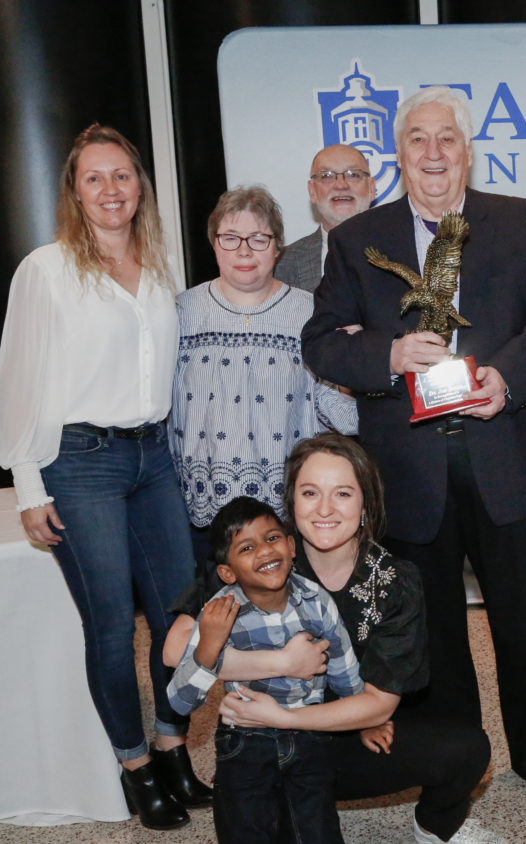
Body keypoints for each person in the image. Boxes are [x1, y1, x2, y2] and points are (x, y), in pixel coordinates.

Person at [302, 86, 526, 804]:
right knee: (432, 637)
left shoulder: (521, 223)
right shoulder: (355, 240)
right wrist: (388, 355)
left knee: (525, 623)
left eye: (448, 139)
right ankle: (459, 760)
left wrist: (509, 376)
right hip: (409, 471)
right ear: (399, 155)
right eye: (418, 140)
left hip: (509, 456)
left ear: (468, 150)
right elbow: (321, 342)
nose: (433, 153)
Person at [0, 124, 206, 830]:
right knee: (113, 628)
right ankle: (135, 768)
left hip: (156, 460)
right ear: (74, 190)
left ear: (139, 184)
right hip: (79, 462)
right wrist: (29, 484)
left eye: (122, 175)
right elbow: (19, 379)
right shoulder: (47, 270)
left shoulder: (160, 266)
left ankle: (173, 744)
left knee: (181, 613)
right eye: (95, 177)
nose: (111, 189)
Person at [172, 434, 494, 842]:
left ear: (365, 505)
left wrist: (284, 716)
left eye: (342, 493)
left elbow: (378, 705)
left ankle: (432, 829)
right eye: (310, 493)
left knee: (467, 749)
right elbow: (174, 648)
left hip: (346, 736)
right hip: (264, 743)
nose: (324, 509)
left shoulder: (395, 578)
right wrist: (281, 664)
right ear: (291, 502)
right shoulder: (266, 555)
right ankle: (259, 788)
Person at [171, 185, 357, 566]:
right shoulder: (180, 312)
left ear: (277, 247)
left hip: (285, 510)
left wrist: (354, 364)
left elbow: (341, 415)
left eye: (258, 238)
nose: (244, 250)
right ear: (214, 244)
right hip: (200, 508)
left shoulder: (310, 313)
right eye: (231, 238)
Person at [168, 497, 362, 843]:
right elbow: (180, 703)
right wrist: (209, 647)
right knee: (245, 830)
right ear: (227, 572)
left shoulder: (316, 601)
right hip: (245, 740)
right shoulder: (218, 612)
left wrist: (367, 719)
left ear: (291, 546)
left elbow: (344, 666)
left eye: (272, 538)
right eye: (246, 547)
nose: (264, 551)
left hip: (309, 737)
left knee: (316, 831)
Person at [276, 144, 376, 292]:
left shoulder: (401, 250)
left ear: (372, 188)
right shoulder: (281, 264)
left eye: (353, 174)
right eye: (327, 176)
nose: (341, 185)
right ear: (312, 192)